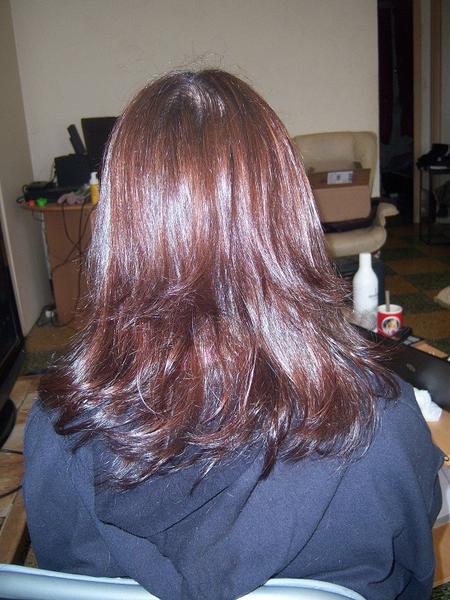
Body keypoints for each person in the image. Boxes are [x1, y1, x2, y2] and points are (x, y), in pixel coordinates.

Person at [23, 70, 443, 600]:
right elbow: (412, 577)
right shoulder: (381, 423)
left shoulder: (58, 430)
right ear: (290, 215)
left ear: (120, 230)